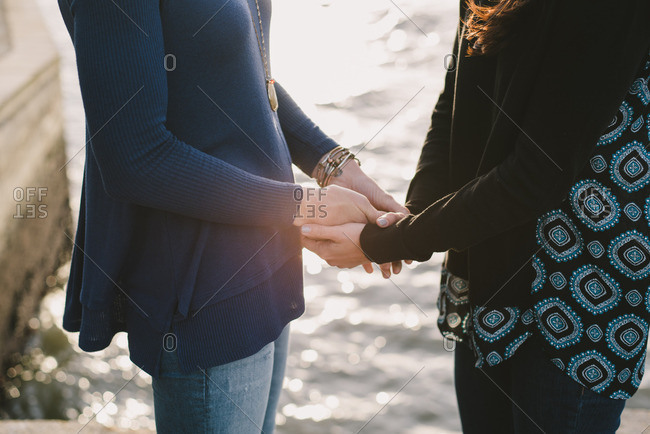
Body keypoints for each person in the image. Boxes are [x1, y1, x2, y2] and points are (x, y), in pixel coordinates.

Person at [56, 0, 405, 432]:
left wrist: (337, 166)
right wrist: (306, 204)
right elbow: (134, 159)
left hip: (266, 263)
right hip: (204, 291)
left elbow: (245, 76)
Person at [301, 0, 650, 432]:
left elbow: (537, 173)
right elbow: (460, 101)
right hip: (488, 272)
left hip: (581, 290)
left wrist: (389, 240)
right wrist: (407, 216)